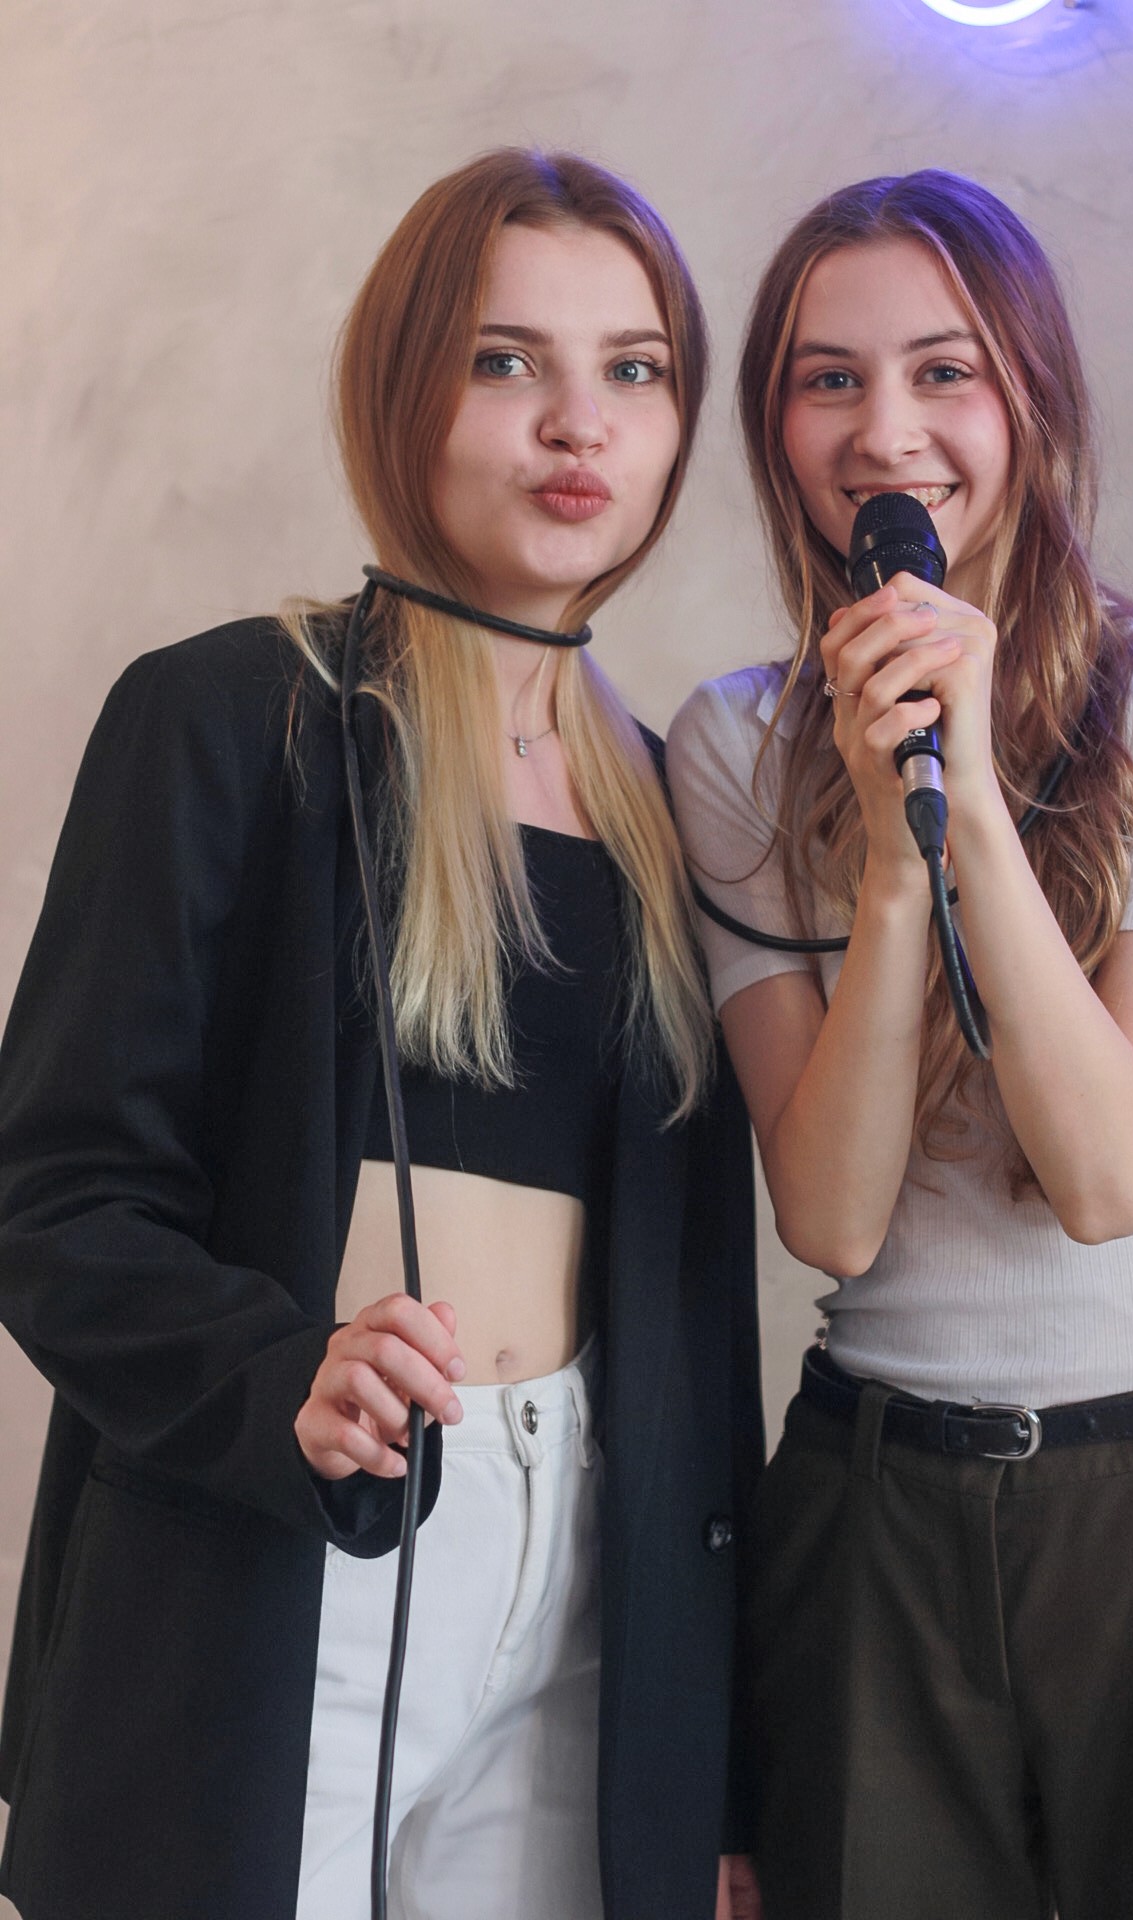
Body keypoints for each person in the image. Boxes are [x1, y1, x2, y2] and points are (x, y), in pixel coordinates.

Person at [0, 149, 763, 1920]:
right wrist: (282, 1378)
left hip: (585, 1573)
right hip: (292, 1551)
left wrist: (718, 1771)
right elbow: (55, 1192)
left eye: (633, 369)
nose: (578, 421)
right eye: (507, 360)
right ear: (401, 383)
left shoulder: (676, 809)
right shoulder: (229, 717)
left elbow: (703, 1314)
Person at [668, 169, 1133, 1920]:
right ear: (777, 430)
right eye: (828, 379)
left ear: (1034, 399)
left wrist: (973, 801)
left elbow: (1110, 1176)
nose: (887, 432)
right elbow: (832, 1218)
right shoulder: (734, 747)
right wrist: (886, 859)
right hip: (880, 1517)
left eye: (945, 372)